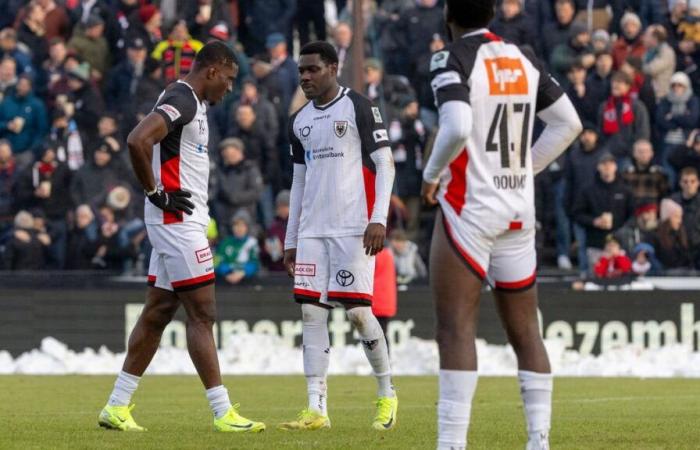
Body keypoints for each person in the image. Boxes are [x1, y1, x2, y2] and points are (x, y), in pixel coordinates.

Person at [420, 1, 582, 449]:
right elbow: (568, 124)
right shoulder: (522, 56)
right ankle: (539, 440)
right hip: (517, 209)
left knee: (454, 328)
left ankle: (451, 444)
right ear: (492, 13)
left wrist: (431, 175)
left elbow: (455, 126)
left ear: (449, 15)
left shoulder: (451, 57)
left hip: (469, 208)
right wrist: (524, 169)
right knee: (526, 331)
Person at [98, 41, 265, 433]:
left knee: (157, 313)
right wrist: (156, 193)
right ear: (211, 71)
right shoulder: (183, 98)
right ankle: (223, 412)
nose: (230, 88)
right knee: (203, 314)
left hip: (177, 222)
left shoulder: (192, 102)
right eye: (228, 78)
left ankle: (116, 406)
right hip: (177, 224)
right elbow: (138, 139)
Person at [281, 41, 397, 431]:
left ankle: (386, 394)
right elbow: (298, 182)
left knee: (360, 314)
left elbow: (385, 163)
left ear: (332, 67)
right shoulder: (299, 121)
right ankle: (316, 408)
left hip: (353, 229)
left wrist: (378, 218)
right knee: (311, 313)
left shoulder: (359, 107)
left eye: (312, 69)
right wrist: (291, 238)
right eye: (301, 71)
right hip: (313, 230)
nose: (305, 77)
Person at [572, 152, 635, 271]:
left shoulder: (625, 190)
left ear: (616, 166)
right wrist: (594, 221)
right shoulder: (587, 190)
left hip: (620, 245)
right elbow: (577, 214)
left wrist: (621, 232)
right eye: (603, 163)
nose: (607, 167)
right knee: (594, 280)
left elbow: (633, 215)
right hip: (595, 243)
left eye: (610, 163)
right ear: (598, 166)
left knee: (621, 279)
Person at [214, 210, 260, 285]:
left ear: (247, 227)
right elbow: (216, 262)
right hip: (225, 282)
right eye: (236, 225)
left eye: (242, 225)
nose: (239, 228)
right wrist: (227, 273)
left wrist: (242, 273)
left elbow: (255, 263)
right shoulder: (225, 242)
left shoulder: (252, 243)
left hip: (247, 283)